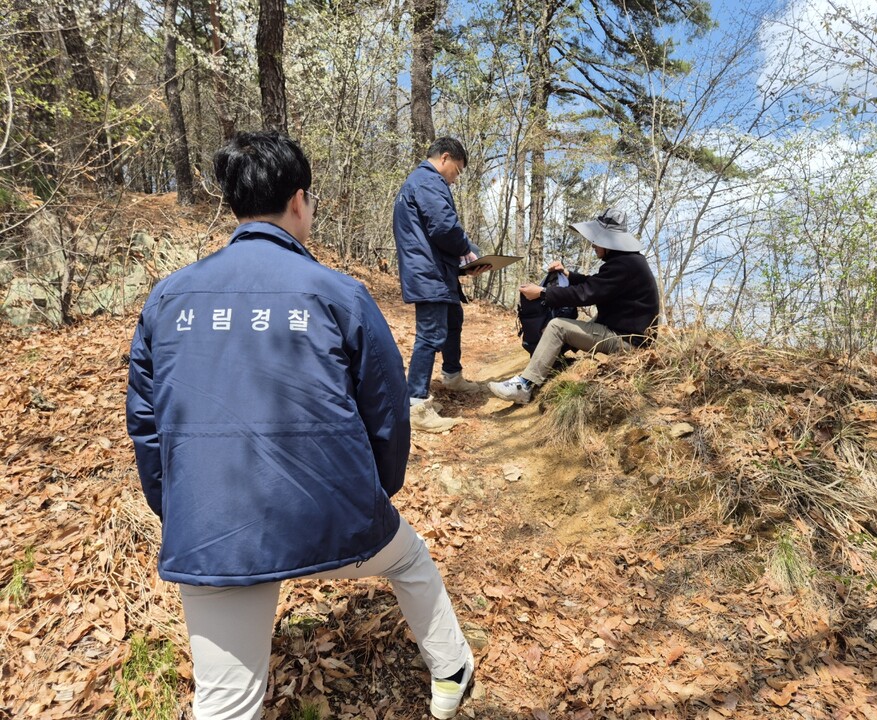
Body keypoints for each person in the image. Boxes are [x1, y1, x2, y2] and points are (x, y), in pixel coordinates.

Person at [126, 131, 474, 720]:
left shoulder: (169, 297)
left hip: (210, 530)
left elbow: (146, 424)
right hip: (333, 513)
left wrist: (181, 510)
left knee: (224, 703)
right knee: (410, 560)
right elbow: (386, 407)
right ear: (299, 201)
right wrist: (377, 494)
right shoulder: (337, 292)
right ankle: (451, 671)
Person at [489, 208, 660, 405]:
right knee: (572, 325)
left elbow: (585, 294)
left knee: (557, 326)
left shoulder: (624, 265)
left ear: (609, 242)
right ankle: (554, 363)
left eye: (597, 240)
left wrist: (543, 292)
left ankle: (524, 386)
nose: (593, 244)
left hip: (628, 344)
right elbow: (597, 284)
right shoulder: (629, 262)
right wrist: (568, 274)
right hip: (629, 335)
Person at [393, 137, 489, 433]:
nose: (456, 179)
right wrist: (468, 253)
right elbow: (445, 228)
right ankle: (416, 402)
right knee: (431, 333)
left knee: (452, 321)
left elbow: (442, 230)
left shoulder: (425, 183)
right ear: (445, 158)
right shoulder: (427, 181)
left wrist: (471, 257)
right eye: (457, 171)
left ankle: (452, 375)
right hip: (428, 273)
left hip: (436, 271)